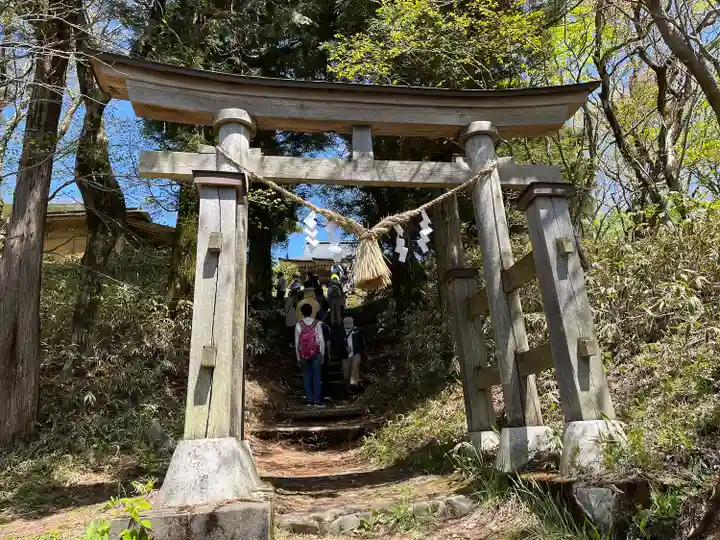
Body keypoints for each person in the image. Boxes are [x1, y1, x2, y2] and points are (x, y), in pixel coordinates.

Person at [296, 302, 325, 407]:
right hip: (316, 352)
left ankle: (309, 399)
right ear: (312, 312)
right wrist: (323, 353)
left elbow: (296, 342)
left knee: (307, 376)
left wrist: (298, 357)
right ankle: (316, 400)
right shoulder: (317, 323)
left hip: (303, 354)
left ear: (302, 313)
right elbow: (321, 339)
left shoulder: (299, 324)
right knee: (317, 376)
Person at [343, 316, 365, 393]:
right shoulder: (340, 332)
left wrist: (364, 350)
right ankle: (348, 389)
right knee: (346, 372)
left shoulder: (357, 331)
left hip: (355, 353)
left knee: (355, 365)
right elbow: (338, 343)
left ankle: (354, 386)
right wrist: (344, 347)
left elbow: (361, 342)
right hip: (345, 355)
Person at [317, 304, 332, 402]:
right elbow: (328, 342)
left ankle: (316, 395)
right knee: (324, 374)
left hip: (312, 353)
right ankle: (325, 394)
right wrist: (329, 353)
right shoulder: (325, 327)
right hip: (323, 353)